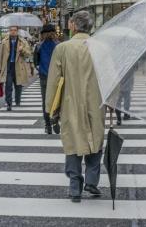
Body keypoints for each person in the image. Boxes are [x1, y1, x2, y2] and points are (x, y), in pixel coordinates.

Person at [45, 11, 104, 203]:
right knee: (95, 140)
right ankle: (92, 181)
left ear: (72, 25)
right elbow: (111, 78)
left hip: (70, 102)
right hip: (97, 102)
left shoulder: (62, 48)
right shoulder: (101, 47)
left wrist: (51, 109)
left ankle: (75, 186)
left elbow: (54, 81)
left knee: (72, 142)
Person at [0, 26, 31, 111]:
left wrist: (22, 49)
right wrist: (0, 69)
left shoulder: (23, 41)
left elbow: (28, 54)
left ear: (17, 31)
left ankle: (17, 101)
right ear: (9, 31)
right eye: (11, 30)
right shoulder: (4, 41)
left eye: (15, 30)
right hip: (8, 66)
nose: (13, 32)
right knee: (8, 86)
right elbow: (1, 56)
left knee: (18, 85)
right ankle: (9, 103)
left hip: (18, 66)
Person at [34, 24, 58, 134]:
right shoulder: (59, 45)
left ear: (43, 34)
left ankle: (48, 125)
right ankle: (56, 119)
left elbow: (36, 62)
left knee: (45, 101)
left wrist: (40, 68)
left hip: (44, 76)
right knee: (57, 99)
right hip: (58, 77)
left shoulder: (39, 46)